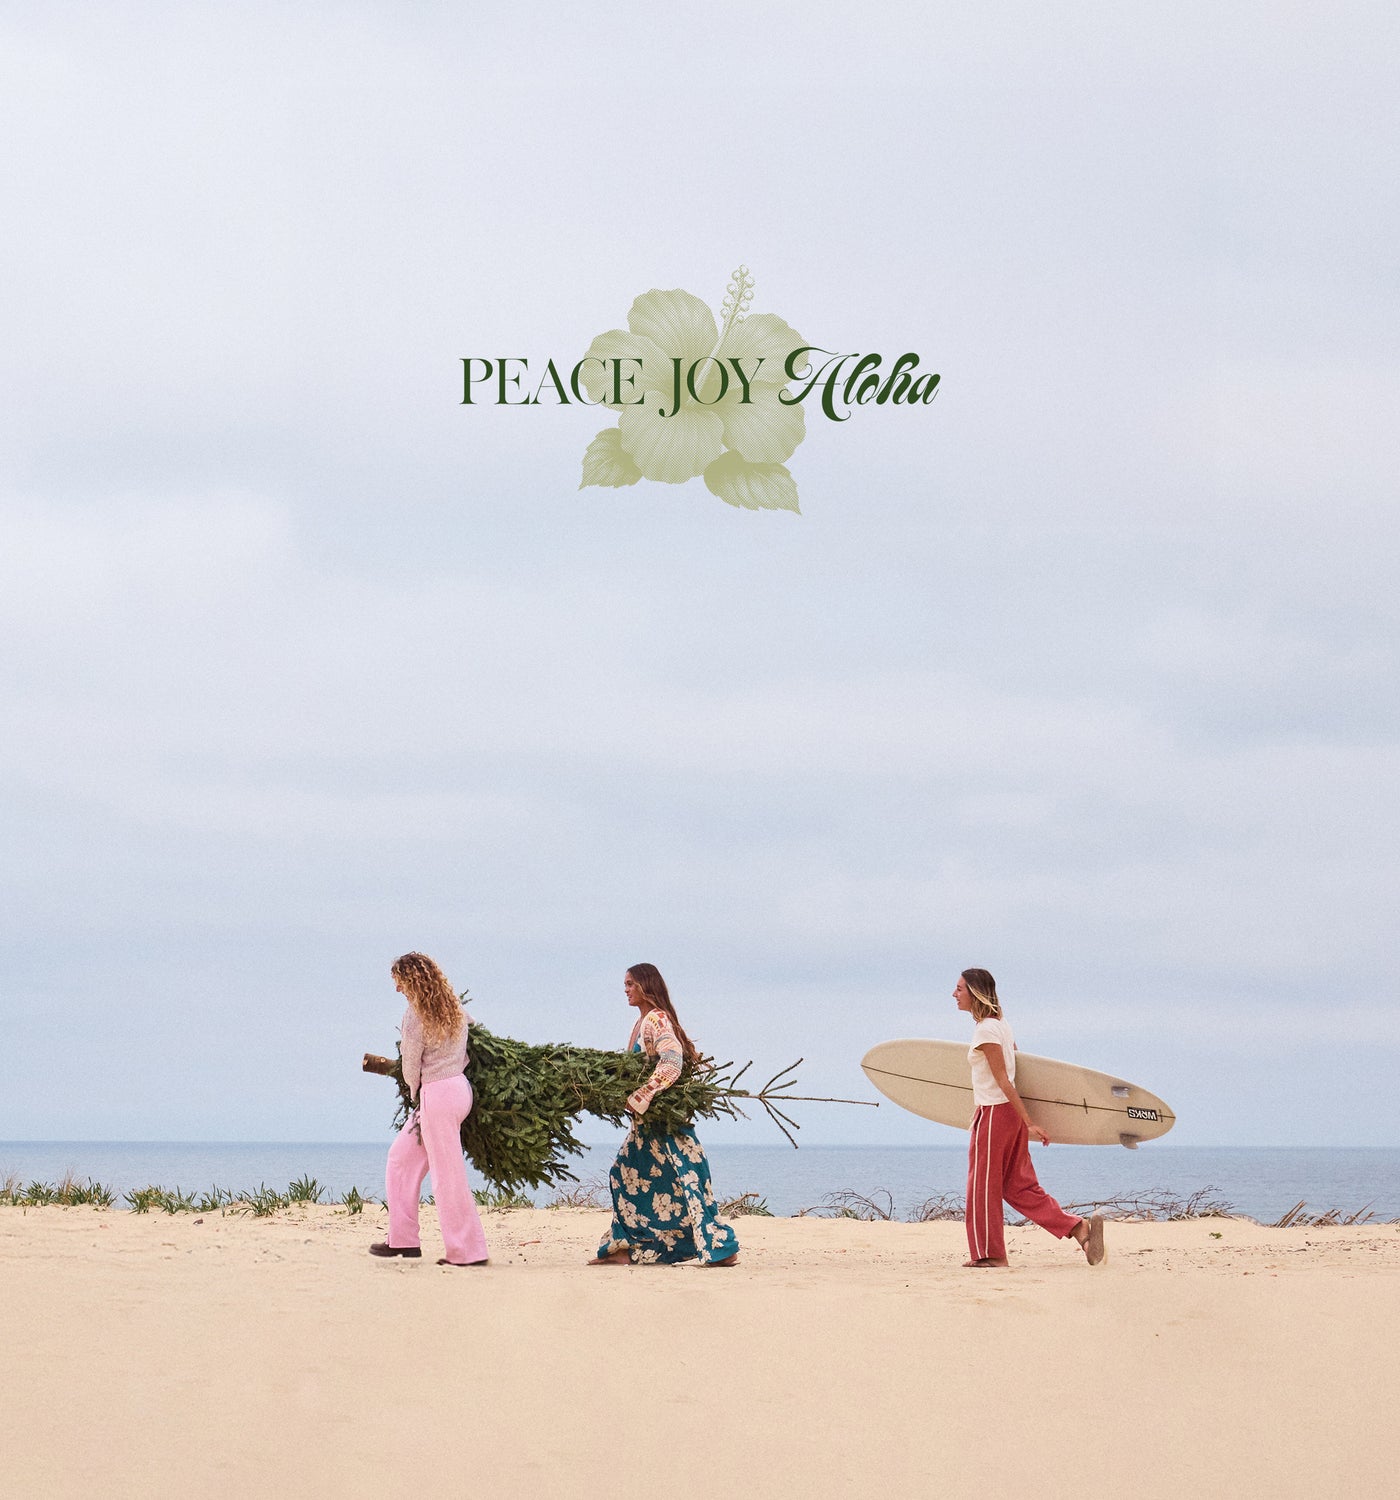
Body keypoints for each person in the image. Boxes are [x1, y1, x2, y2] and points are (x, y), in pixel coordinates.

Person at [589, 963, 740, 1267]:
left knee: (688, 1180)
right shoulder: (641, 1022)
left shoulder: (656, 1020)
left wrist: (643, 1094)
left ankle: (721, 1249)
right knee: (624, 1174)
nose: (626, 989)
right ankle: (628, 1246)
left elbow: (672, 1061)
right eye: (625, 984)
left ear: (645, 985)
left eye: (631, 983)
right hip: (646, 1127)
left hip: (666, 1125)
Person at [955, 967, 1105, 1269]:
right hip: (1004, 1113)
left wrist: (1029, 1122)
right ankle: (1080, 1230)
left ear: (975, 992)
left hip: (996, 1113)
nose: (954, 994)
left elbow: (1004, 1080)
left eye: (959, 989)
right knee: (1018, 1187)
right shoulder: (1002, 1026)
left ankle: (991, 1255)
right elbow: (1017, 1066)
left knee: (982, 1188)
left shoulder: (985, 1031)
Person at [369, 952, 489, 1268]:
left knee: (447, 1175)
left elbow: (411, 1065)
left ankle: (466, 1251)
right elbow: (477, 1027)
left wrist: (412, 1091)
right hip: (458, 1089)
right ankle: (403, 1240)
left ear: (412, 981)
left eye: (399, 982)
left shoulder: (414, 1014)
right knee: (400, 1159)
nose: (397, 989)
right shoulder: (453, 1007)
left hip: (436, 1094)